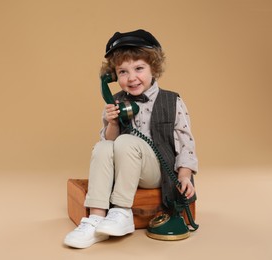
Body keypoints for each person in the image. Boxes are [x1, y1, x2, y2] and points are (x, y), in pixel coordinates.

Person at [64, 29, 198, 249]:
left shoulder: (172, 101)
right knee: (103, 146)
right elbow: (109, 145)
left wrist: (184, 175)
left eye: (139, 68)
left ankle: (122, 211)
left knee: (126, 142)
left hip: (158, 172)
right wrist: (113, 122)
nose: (132, 77)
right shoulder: (115, 102)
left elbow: (186, 143)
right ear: (114, 76)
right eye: (123, 72)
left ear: (153, 68)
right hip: (124, 173)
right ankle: (96, 219)